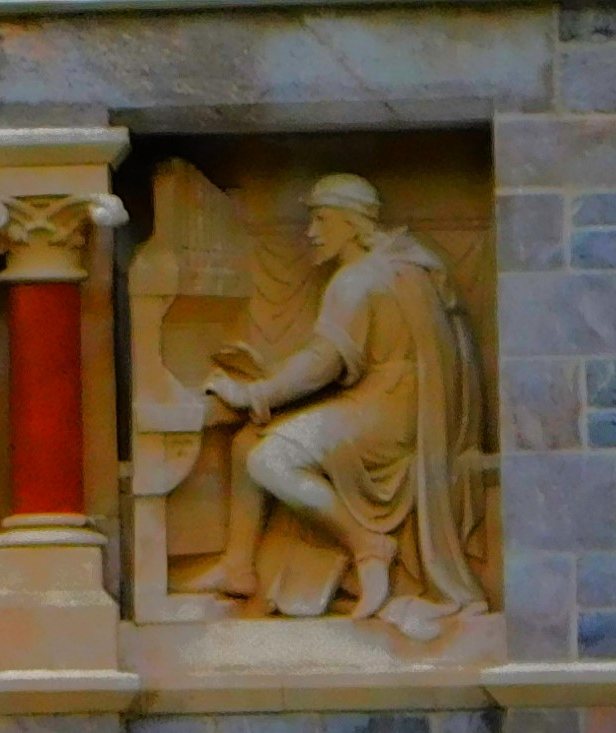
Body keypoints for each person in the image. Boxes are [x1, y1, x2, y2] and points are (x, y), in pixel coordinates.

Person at [189, 174, 491, 640]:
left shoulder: (356, 280)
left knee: (270, 459)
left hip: (386, 414)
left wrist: (254, 394)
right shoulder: (408, 265)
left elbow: (322, 362)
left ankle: (369, 545)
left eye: (321, 220)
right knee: (247, 442)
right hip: (401, 408)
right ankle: (238, 566)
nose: (311, 232)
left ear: (351, 223)